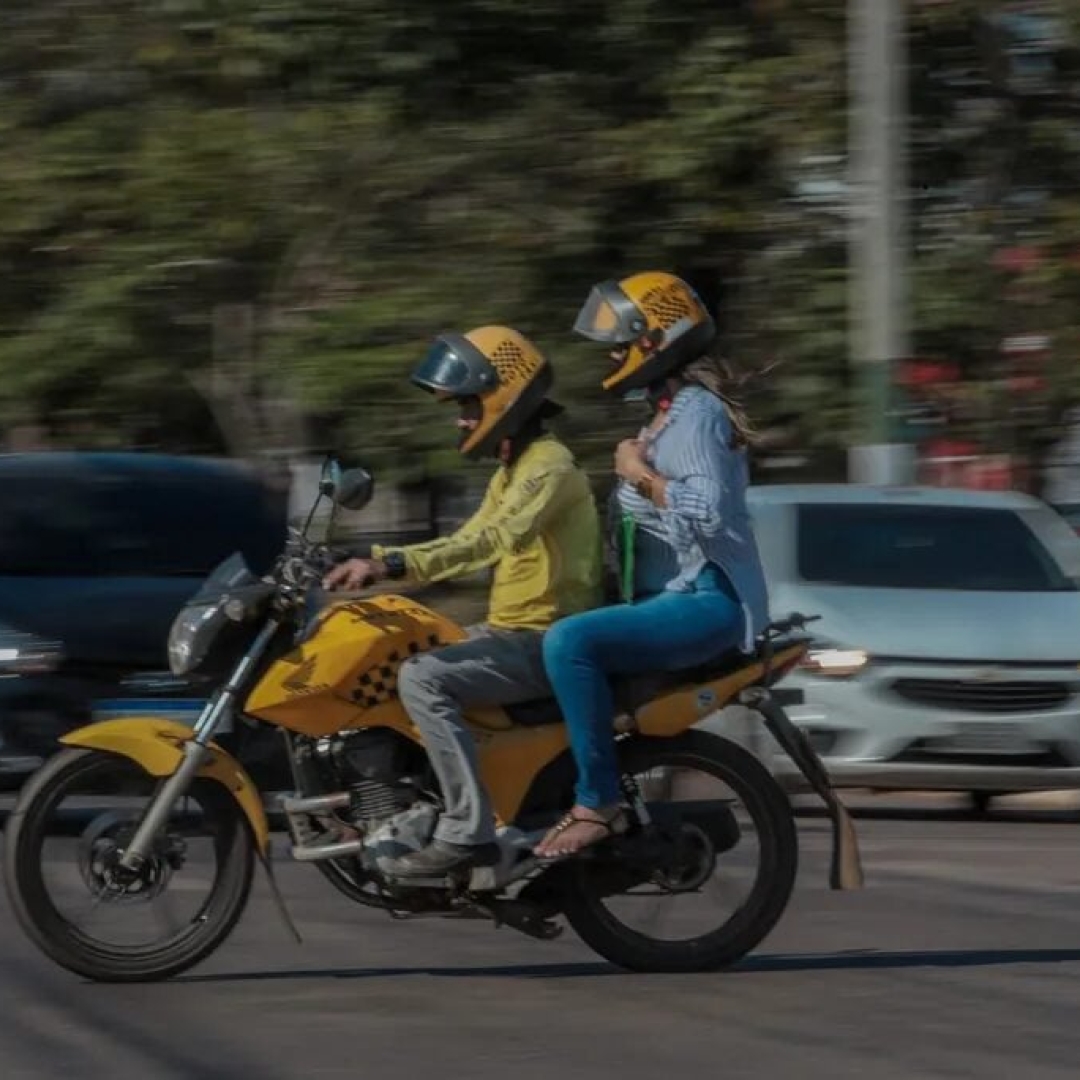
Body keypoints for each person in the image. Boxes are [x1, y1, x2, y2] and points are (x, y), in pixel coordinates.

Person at [324, 325, 601, 876]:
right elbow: (465, 539)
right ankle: (392, 809)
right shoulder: (513, 469)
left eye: (468, 407)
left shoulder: (550, 466)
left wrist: (387, 563)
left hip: (547, 640)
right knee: (386, 662)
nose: (461, 420)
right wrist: (362, 556)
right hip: (511, 632)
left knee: (423, 678)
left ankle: (468, 830)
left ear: (505, 396)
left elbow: (486, 544)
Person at [534, 272, 770, 858]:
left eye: (622, 340)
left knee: (570, 644)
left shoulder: (696, 415)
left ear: (658, 338)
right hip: (680, 594)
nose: (612, 353)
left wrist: (639, 474)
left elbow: (709, 514)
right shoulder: (665, 414)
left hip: (713, 600)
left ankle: (598, 800)